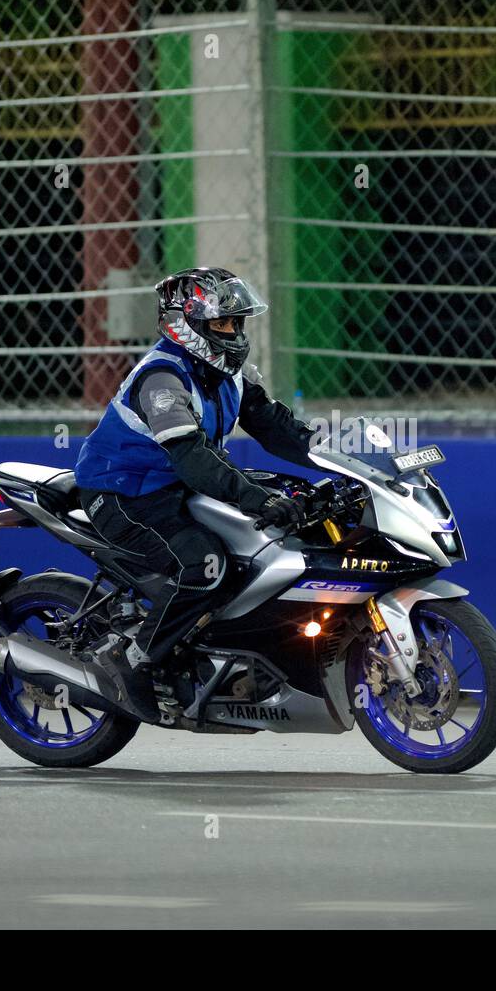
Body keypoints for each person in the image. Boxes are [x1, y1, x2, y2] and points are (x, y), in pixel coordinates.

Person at [74, 267, 321, 721]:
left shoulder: (228, 375)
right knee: (206, 566)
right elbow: (193, 460)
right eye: (222, 324)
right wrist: (258, 500)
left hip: (176, 487)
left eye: (236, 323)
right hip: (124, 493)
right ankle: (134, 662)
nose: (234, 333)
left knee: (260, 546)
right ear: (186, 324)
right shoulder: (162, 379)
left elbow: (278, 429)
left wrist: (345, 461)